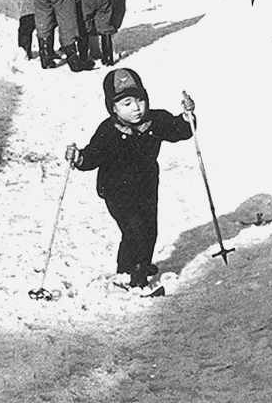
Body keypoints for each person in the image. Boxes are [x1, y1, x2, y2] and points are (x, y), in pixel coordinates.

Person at [65, 68, 195, 289]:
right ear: (113, 108)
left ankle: (129, 267)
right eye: (127, 104)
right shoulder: (109, 131)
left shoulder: (155, 120)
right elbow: (92, 157)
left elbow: (179, 131)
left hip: (146, 186)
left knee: (149, 228)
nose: (136, 108)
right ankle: (137, 276)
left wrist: (187, 117)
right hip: (116, 190)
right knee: (135, 228)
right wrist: (79, 158)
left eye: (140, 100)